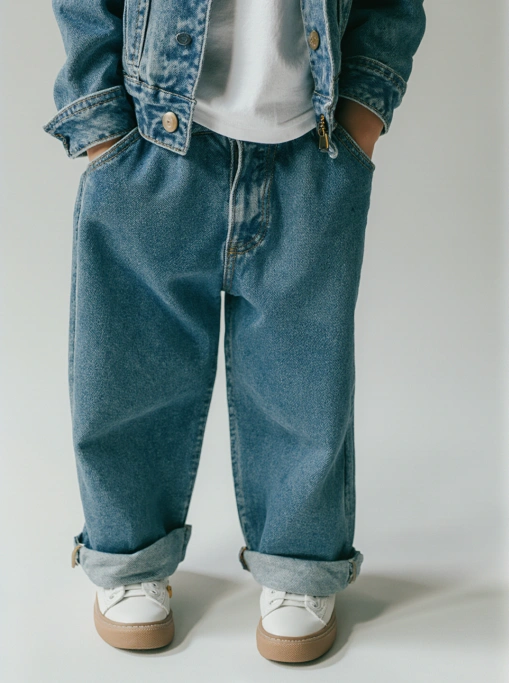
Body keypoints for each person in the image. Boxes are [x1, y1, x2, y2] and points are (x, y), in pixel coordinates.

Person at [43, 0, 426, 663]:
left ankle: (300, 563)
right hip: (154, 144)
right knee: (129, 368)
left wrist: (364, 110)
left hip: (310, 145)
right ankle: (130, 555)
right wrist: (103, 125)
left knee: (303, 378)